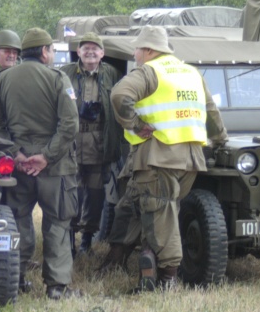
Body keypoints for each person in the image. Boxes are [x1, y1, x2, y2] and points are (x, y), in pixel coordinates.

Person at [110, 26, 227, 291]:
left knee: (162, 217)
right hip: (190, 159)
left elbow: (119, 96)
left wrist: (136, 123)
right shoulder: (190, 72)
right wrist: (220, 138)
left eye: (137, 49)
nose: (135, 53)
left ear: (149, 50)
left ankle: (167, 280)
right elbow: (211, 110)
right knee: (163, 213)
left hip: (159, 157)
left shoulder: (149, 71)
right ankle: (140, 265)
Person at [0, 28, 80, 300]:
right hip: (56, 168)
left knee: (18, 220)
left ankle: (17, 277)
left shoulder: (3, 80)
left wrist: (16, 153)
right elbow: (70, 124)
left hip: (18, 168)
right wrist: (47, 156)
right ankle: (57, 287)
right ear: (45, 51)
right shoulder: (59, 79)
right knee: (58, 223)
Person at [60, 32, 122, 255]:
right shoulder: (65, 73)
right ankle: (69, 239)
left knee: (95, 197)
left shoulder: (112, 74)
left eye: (95, 48)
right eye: (85, 48)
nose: (90, 51)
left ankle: (87, 238)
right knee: (71, 193)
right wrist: (78, 111)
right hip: (72, 144)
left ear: (102, 53)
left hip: (99, 145)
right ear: (78, 52)